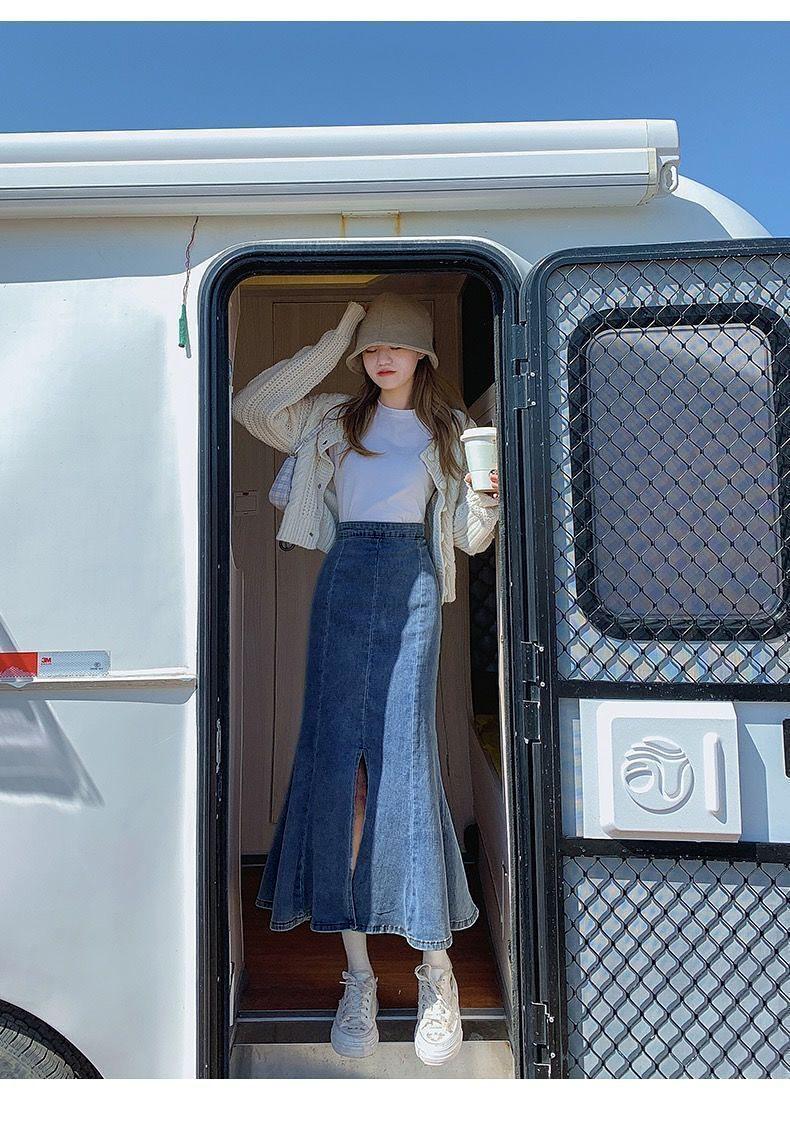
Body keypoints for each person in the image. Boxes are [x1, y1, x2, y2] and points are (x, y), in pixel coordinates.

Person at [231, 292, 500, 1066]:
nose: (382, 358)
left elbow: (468, 540)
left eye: (395, 346)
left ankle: (436, 972)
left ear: (423, 357)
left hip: (413, 587)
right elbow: (253, 404)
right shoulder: (330, 419)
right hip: (345, 581)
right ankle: (359, 977)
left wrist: (486, 496)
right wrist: (338, 332)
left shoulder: (450, 429)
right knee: (340, 771)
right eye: (371, 348)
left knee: (403, 771)